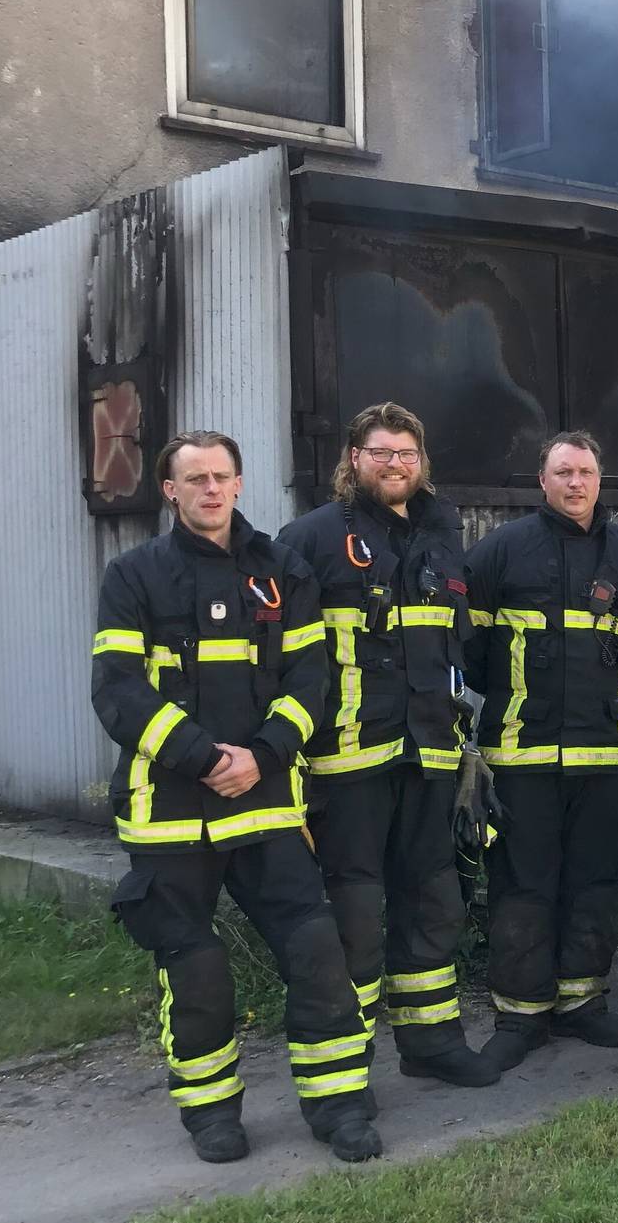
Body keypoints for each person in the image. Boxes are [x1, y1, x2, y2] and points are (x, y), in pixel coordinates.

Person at [94, 431, 379, 1164]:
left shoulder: (281, 570)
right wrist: (200, 756)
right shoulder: (133, 575)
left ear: (241, 485)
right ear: (170, 489)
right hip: (171, 814)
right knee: (195, 968)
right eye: (195, 478)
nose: (210, 489)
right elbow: (118, 691)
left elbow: (310, 680)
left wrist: (260, 754)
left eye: (221, 476)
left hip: (266, 804)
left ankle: (340, 1102)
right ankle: (211, 1111)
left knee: (317, 949)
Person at [277, 403, 496, 1088]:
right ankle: (341, 1076)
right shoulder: (309, 538)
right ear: (353, 458)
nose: (395, 463)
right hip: (347, 767)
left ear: (422, 461)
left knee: (435, 903)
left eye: (406, 452)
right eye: (380, 452)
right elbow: (285, 656)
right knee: (356, 919)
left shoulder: (444, 531)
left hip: (430, 756)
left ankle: (431, 1043)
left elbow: (457, 643)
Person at [464, 430, 618, 1068]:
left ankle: (582, 1002)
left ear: (600, 481)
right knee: (523, 884)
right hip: (521, 754)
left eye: (586, 473)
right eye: (563, 472)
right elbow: (472, 650)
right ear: (542, 481)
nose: (575, 484)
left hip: (604, 756)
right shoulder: (502, 551)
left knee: (596, 881)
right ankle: (521, 1016)